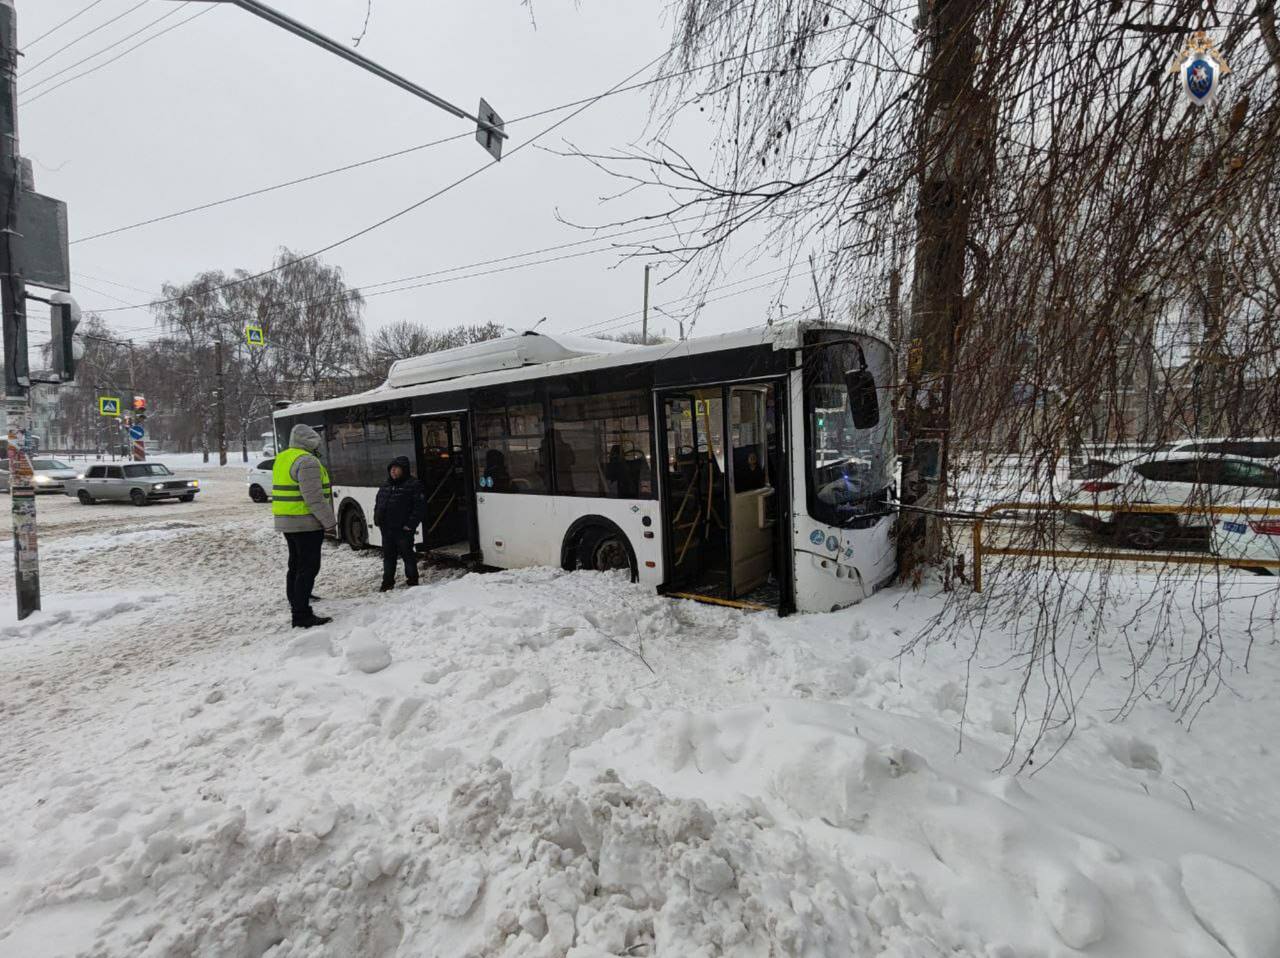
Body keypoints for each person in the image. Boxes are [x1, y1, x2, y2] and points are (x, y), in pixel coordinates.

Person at [273, 423, 337, 629]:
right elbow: (314, 499)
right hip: (306, 523)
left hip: (287, 522)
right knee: (308, 568)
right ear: (310, 442)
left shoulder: (283, 457)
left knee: (295, 565)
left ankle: (296, 601)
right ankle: (301, 614)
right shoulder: (307, 461)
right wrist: (330, 522)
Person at [374, 455, 428, 591]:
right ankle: (387, 583)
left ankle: (412, 581)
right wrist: (377, 519)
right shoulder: (386, 485)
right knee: (388, 557)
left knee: (408, 556)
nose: (393, 471)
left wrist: (410, 525)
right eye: (391, 468)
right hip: (387, 529)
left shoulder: (413, 485)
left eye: (396, 468)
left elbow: (419, 508)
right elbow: (378, 503)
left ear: (404, 470)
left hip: (403, 530)